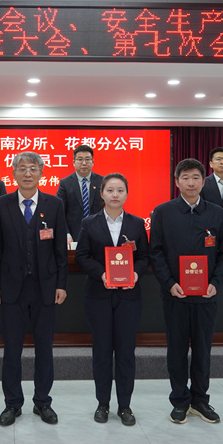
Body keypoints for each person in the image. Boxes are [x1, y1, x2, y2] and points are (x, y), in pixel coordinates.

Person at [149, 158, 223, 425]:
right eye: (185, 177)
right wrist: (168, 283)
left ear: (203, 181)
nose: (191, 182)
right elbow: (156, 253)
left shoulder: (216, 213)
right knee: (176, 350)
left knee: (202, 350)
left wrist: (216, 283)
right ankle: (179, 400)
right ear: (177, 182)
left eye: (196, 177)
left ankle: (199, 400)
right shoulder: (163, 212)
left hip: (206, 296)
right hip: (175, 295)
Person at [0, 151, 68, 426]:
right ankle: (12, 403)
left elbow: (60, 251)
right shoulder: (1, 205)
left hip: (45, 289)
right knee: (12, 350)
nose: (27, 173)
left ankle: (42, 402)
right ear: (13, 173)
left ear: (41, 173)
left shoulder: (54, 205)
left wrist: (61, 284)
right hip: (11, 289)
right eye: (22, 168)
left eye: (33, 168)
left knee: (44, 348)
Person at [75, 173, 149, 426]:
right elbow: (81, 257)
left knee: (126, 352)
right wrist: (102, 274)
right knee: (102, 351)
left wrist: (135, 274)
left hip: (129, 297)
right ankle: (103, 404)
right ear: (102, 194)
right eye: (110, 190)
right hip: (98, 295)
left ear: (127, 194)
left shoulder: (137, 224)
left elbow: (144, 257)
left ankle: (125, 405)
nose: (115, 195)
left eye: (120, 190)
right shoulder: (89, 223)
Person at [56, 144, 104, 245]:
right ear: (74, 162)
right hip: (73, 236)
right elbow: (59, 212)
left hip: (99, 234)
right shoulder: (65, 183)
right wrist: (66, 234)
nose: (84, 163)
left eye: (87, 159)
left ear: (93, 162)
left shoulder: (102, 182)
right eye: (80, 159)